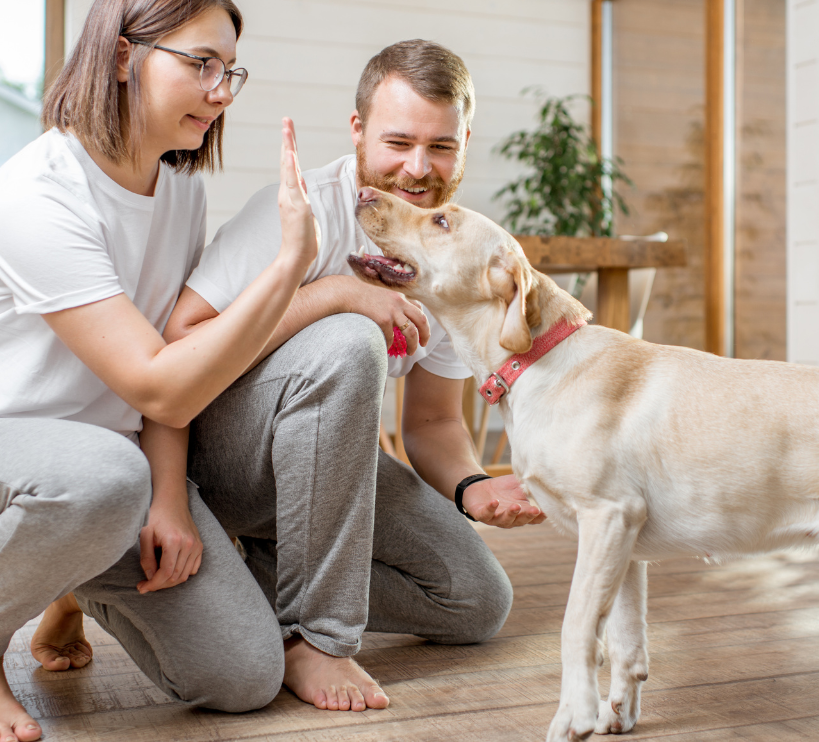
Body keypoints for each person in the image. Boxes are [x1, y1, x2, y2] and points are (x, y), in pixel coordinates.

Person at [0, 0, 318, 742]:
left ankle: (64, 584)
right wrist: (288, 267)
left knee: (245, 675)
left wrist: (171, 502)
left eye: (231, 71)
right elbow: (159, 386)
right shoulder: (38, 194)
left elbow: (171, 351)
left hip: (93, 487)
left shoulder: (179, 190)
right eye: (201, 64)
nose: (222, 91)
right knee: (109, 474)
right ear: (121, 56)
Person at [149, 39, 546, 713]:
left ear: (466, 140)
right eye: (398, 141)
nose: (418, 168)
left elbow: (432, 422)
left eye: (441, 146)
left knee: (476, 600)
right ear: (358, 129)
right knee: (349, 338)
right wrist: (335, 293)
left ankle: (246, 575)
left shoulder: (455, 259)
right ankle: (317, 638)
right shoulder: (303, 208)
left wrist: (472, 485)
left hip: (324, 476)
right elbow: (180, 343)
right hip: (218, 461)